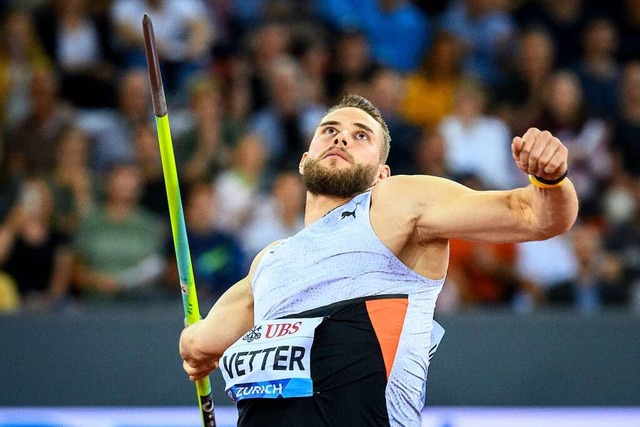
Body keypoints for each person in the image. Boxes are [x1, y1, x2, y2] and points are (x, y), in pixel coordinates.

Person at [179, 94, 578, 426]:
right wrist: (194, 346)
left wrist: (549, 179)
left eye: (360, 135)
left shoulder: (395, 204)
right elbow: (199, 345)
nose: (341, 139)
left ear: (382, 174)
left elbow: (537, 216)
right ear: (304, 160)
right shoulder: (269, 262)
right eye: (330, 131)